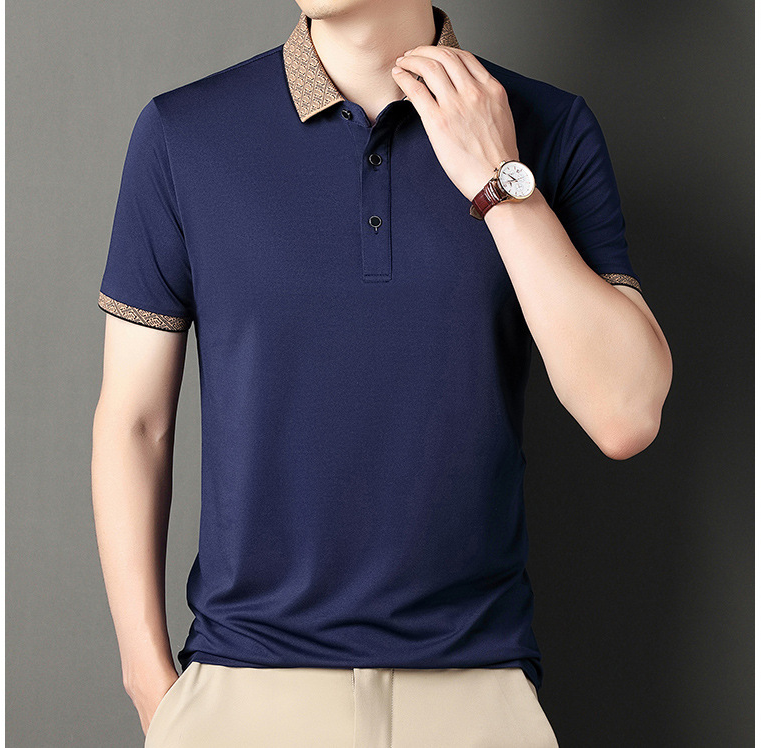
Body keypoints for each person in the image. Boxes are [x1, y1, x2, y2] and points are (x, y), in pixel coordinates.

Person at [91, 1, 672, 746]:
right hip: (243, 691)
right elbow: (135, 424)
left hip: (478, 693)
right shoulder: (184, 134)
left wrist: (498, 179)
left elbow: (625, 413)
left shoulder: (548, 128)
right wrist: (151, 688)